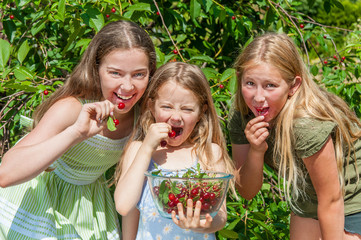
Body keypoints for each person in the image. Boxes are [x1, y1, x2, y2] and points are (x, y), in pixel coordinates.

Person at [0, 20, 156, 239]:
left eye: (139, 74)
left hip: (89, 207)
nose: (128, 86)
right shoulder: (72, 109)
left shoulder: (143, 118)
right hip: (41, 199)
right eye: (115, 73)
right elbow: (6, 174)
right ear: (97, 69)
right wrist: (76, 133)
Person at [229, 32, 361, 239]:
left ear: (293, 86)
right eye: (250, 83)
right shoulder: (242, 116)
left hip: (352, 195)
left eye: (270, 85)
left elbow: (331, 199)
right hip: (308, 195)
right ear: (239, 79)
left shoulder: (305, 125)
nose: (258, 97)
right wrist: (256, 151)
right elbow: (246, 191)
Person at [114, 61, 235, 240]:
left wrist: (205, 225)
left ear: (202, 112)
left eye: (187, 109)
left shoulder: (209, 153)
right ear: (151, 106)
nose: (176, 117)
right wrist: (148, 147)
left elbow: (221, 216)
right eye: (167, 107)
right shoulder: (139, 150)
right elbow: (124, 206)